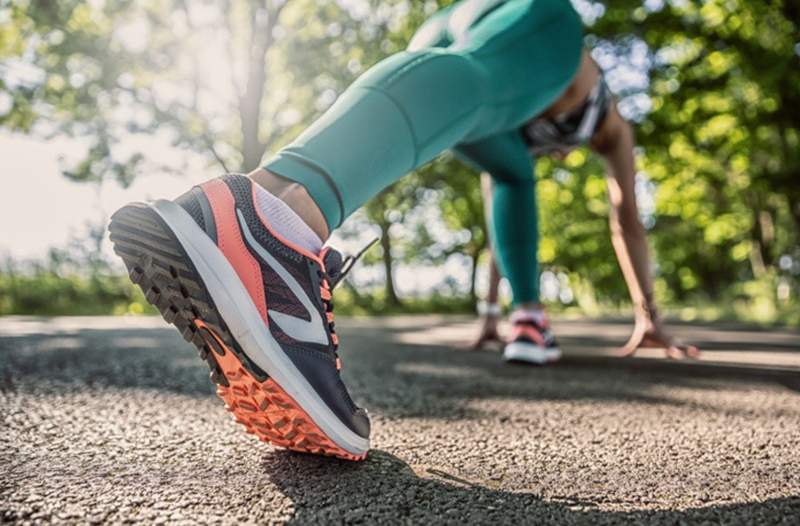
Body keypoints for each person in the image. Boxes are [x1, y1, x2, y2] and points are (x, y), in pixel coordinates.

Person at [110, 0, 695, 461]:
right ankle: (272, 218)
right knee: (483, 82)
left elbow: (504, 207)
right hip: (536, 17)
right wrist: (649, 313)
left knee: (513, 173)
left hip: (442, 39)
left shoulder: (515, 116)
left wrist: (492, 313)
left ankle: (527, 319)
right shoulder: (608, 122)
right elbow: (626, 219)